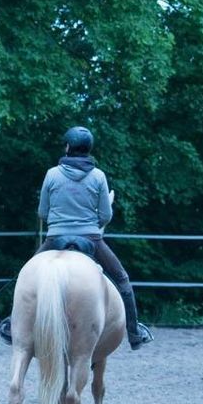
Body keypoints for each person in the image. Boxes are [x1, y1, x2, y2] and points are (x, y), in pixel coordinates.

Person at [32, 125, 152, 350]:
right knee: (123, 279)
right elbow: (105, 215)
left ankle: (12, 325)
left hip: (55, 237)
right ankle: (134, 333)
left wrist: (59, 222)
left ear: (67, 147)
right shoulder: (98, 176)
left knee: (25, 278)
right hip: (91, 238)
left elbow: (42, 213)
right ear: (88, 148)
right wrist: (91, 224)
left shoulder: (51, 174)